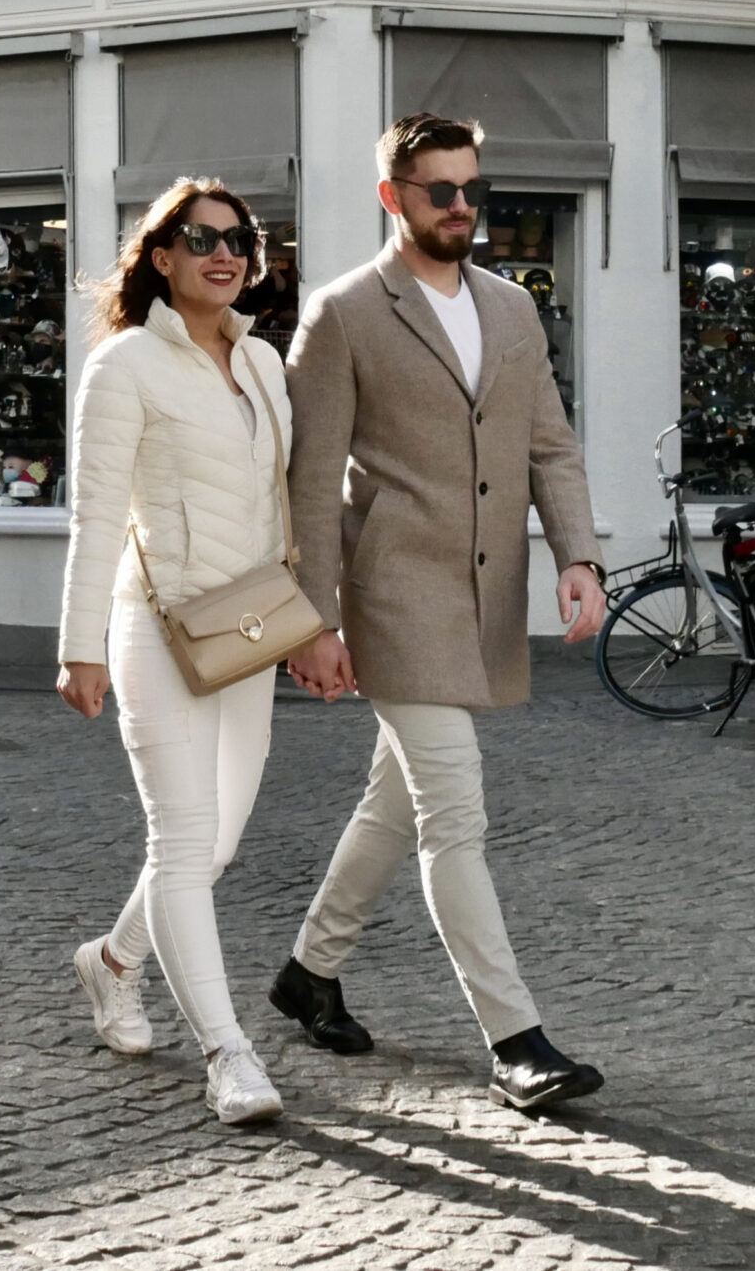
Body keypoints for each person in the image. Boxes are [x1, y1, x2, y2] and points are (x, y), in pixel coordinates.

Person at [274, 113, 610, 1114]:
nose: (462, 205)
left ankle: (309, 970)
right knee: (454, 811)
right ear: (394, 197)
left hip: (484, 592)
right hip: (392, 592)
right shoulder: (342, 313)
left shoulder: (511, 306)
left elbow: (549, 444)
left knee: (395, 799)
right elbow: (310, 481)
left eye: (473, 188)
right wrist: (314, 620)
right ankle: (516, 1040)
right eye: (441, 190)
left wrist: (579, 555)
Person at [54, 181, 308, 1126]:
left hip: (250, 624)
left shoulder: (264, 361)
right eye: (201, 239)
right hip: (154, 626)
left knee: (219, 843)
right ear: (161, 258)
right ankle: (227, 1052)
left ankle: (113, 960)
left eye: (239, 239)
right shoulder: (123, 365)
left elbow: (283, 502)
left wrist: (312, 622)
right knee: (183, 837)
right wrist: (79, 646)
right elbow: (94, 515)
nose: (224, 253)